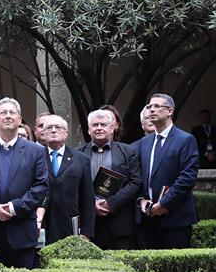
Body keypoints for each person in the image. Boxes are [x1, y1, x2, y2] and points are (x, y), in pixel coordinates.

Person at [0, 98, 48, 268]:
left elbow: (41, 186)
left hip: (22, 231)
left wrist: (13, 208)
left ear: (19, 120)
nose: (7, 116)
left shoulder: (36, 151)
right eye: (3, 113)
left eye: (12, 112)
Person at [136, 93, 200, 249]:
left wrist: (163, 204)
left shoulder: (185, 140)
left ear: (170, 111)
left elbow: (187, 178)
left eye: (157, 106)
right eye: (149, 107)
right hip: (147, 218)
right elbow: (137, 177)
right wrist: (141, 200)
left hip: (175, 219)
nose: (151, 110)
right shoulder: (143, 143)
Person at [77, 109, 142, 250]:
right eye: (95, 125)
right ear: (89, 130)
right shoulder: (77, 153)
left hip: (121, 223)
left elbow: (135, 182)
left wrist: (110, 203)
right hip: (89, 224)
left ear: (112, 128)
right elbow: (73, 186)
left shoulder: (128, 151)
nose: (99, 128)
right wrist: (91, 203)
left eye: (103, 124)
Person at [38, 115, 96, 244]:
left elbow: (87, 198)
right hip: (41, 225)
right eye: (49, 128)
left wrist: (86, 232)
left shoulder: (81, 159)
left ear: (66, 133)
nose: (53, 130)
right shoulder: (35, 156)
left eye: (58, 127)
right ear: (43, 133)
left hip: (69, 226)